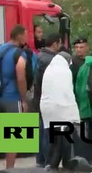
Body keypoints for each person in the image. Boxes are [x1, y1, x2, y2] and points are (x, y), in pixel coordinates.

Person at [0, 25, 28, 173]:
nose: (27, 37)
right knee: (14, 137)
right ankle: (10, 170)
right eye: (25, 34)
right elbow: (21, 77)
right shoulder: (19, 54)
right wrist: (24, 99)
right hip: (13, 98)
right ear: (19, 36)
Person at [40, 51, 80, 170]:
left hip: (48, 109)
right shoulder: (65, 71)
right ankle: (66, 165)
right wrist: (75, 113)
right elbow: (67, 93)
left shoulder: (49, 69)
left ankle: (51, 164)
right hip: (62, 109)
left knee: (55, 139)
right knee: (65, 139)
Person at [34, 33, 62, 167]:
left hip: (37, 98)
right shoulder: (53, 60)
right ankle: (47, 162)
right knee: (47, 132)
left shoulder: (38, 56)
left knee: (40, 130)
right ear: (55, 43)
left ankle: (40, 160)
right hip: (48, 99)